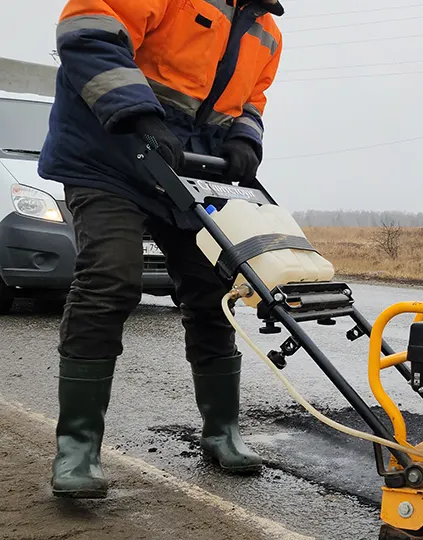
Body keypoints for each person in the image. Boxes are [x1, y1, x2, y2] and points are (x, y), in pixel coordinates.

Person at [37, 0, 285, 498]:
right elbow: (88, 32)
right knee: (110, 277)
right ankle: (77, 448)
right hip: (107, 155)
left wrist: (244, 138)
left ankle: (221, 430)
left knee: (214, 289)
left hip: (184, 170)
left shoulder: (268, 32)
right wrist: (139, 113)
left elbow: (251, 99)